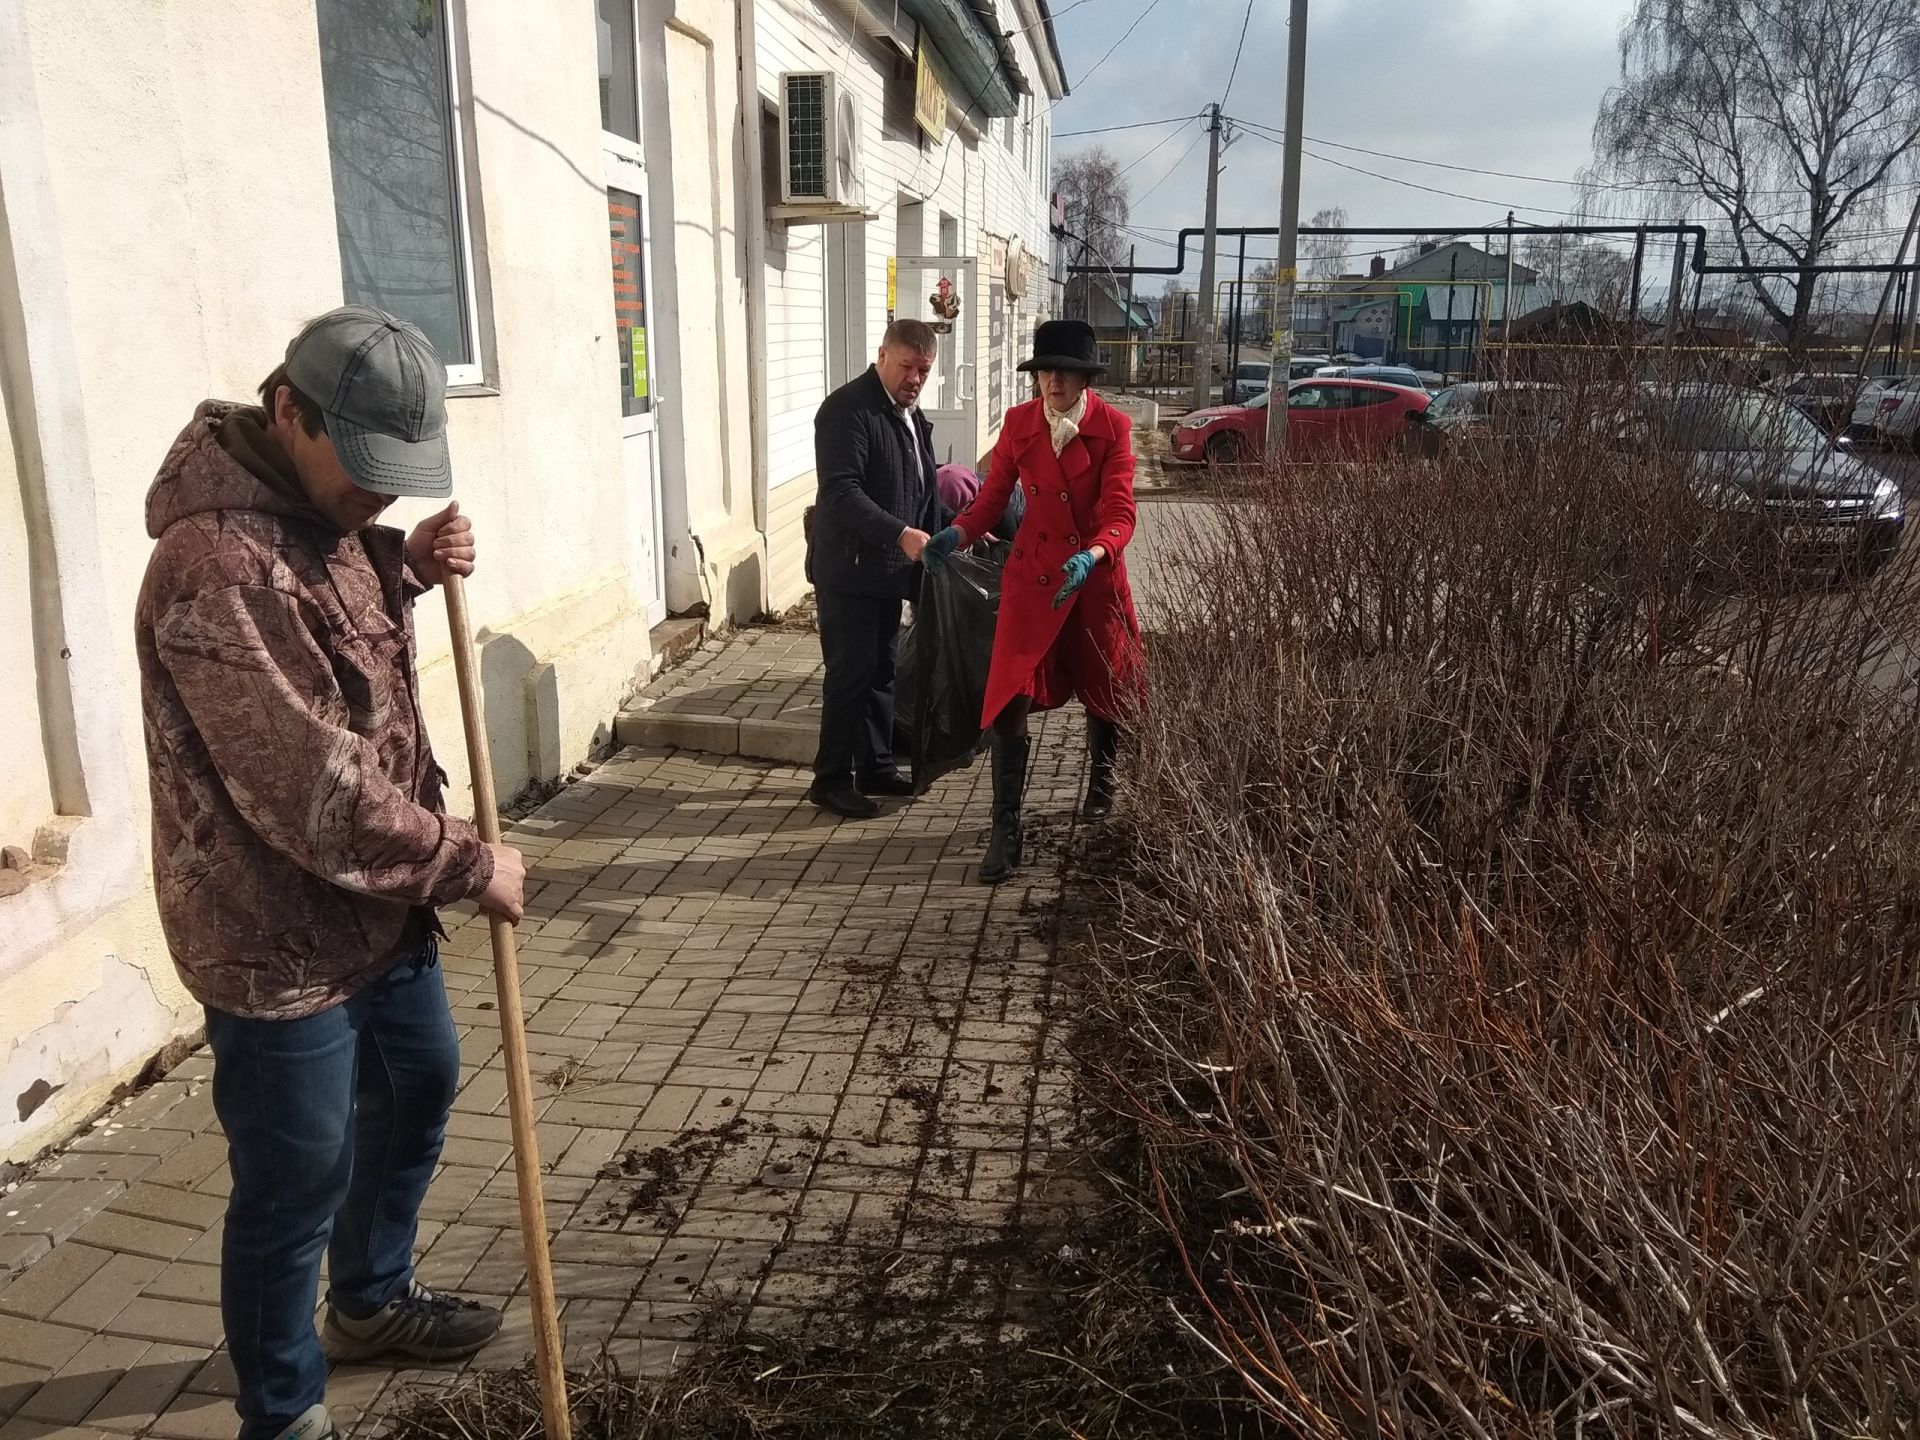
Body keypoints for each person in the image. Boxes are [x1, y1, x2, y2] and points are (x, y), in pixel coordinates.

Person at [135, 307, 526, 1440]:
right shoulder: (217, 565)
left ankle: (369, 1301)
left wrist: (399, 566)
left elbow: (337, 629)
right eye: (366, 476)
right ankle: (285, 1409)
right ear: (288, 411)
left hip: (377, 915)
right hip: (273, 939)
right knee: (296, 1181)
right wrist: (468, 862)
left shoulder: (322, 516)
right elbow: (315, 792)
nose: (379, 498)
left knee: (416, 1094)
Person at [923, 319, 1144, 883]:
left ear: (1084, 378)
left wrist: (1094, 554)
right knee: (1008, 697)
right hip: (1034, 580)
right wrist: (957, 532)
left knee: (1105, 686)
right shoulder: (1020, 423)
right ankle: (1006, 828)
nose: (1052, 382)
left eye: (1063, 373)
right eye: (1044, 372)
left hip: (1091, 578)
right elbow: (993, 497)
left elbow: (1121, 512)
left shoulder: (1114, 428)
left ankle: (1102, 780)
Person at [805, 319, 942, 819]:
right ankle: (831, 779)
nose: (914, 378)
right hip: (849, 569)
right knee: (851, 675)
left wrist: (953, 530)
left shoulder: (907, 412)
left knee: (883, 671)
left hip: (887, 572)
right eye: (906, 366)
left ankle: (877, 766)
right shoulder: (848, 410)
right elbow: (841, 493)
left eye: (923, 370)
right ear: (882, 356)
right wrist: (899, 534)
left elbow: (921, 485)